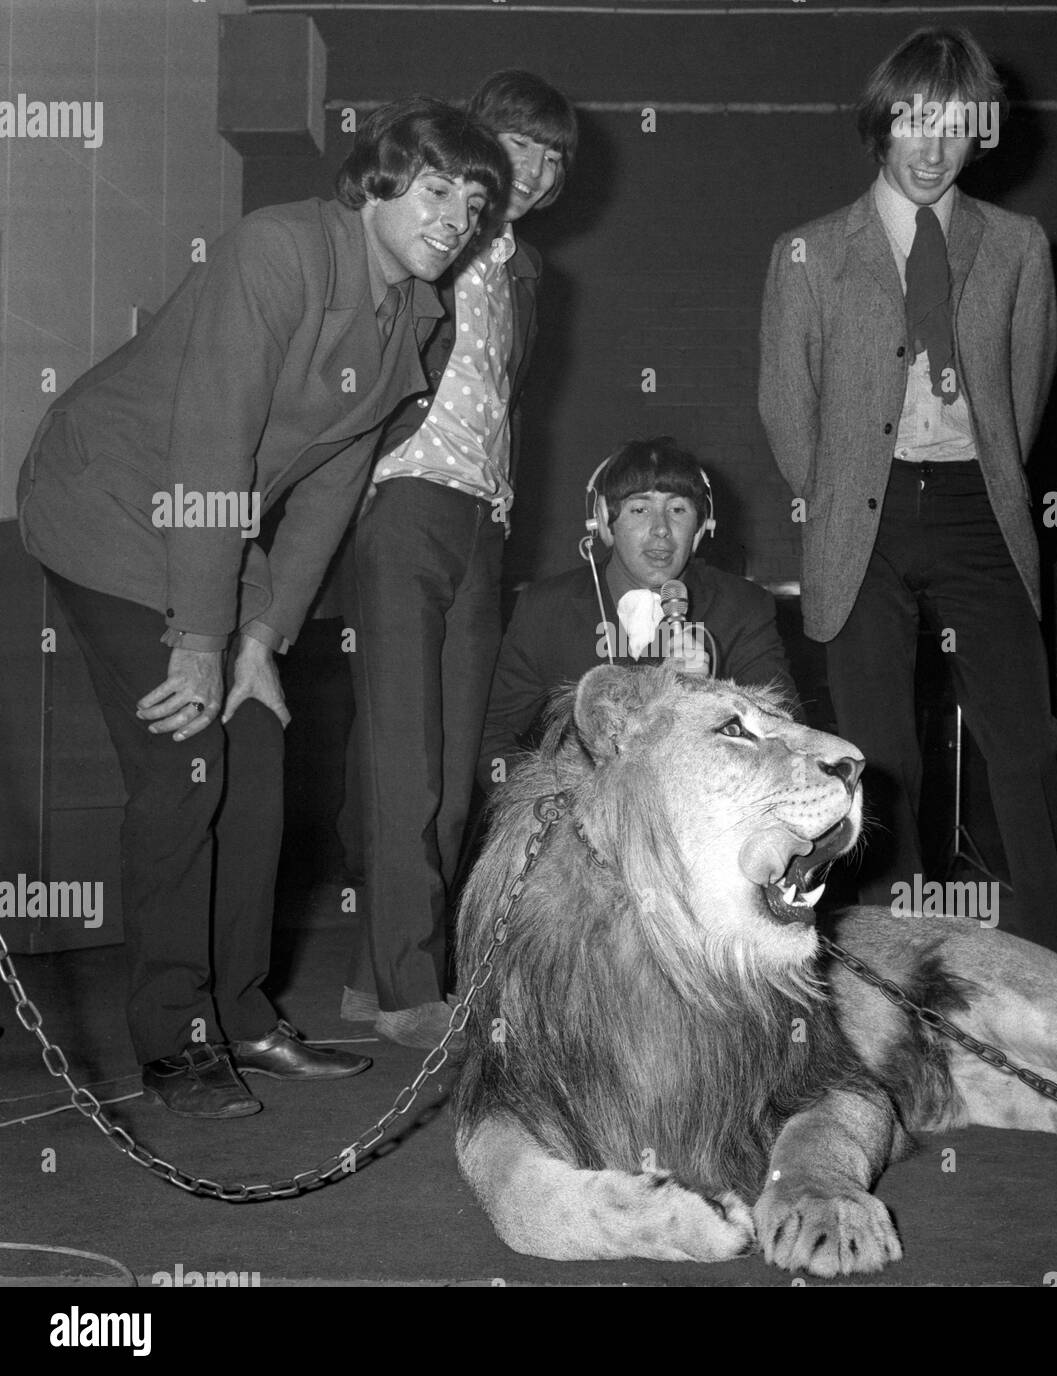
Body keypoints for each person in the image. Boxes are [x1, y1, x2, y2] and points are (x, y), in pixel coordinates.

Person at [16, 97, 510, 1117]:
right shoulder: (276, 249)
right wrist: (199, 641)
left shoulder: (417, 318)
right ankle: (172, 1036)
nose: (455, 218)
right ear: (376, 181)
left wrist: (261, 637)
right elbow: (211, 441)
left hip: (210, 527)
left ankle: (238, 1014)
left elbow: (329, 485)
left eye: (472, 204)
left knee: (261, 753)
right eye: (434, 190)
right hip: (106, 497)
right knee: (188, 757)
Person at [759, 27, 1057, 995]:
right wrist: (842, 494)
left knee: (1027, 745)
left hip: (971, 509)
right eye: (914, 121)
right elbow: (786, 407)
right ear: (882, 124)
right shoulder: (807, 253)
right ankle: (893, 986)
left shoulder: (1016, 249)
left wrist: (968, 469)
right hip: (859, 522)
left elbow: (1024, 390)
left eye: (955, 127)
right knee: (879, 758)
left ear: (980, 136)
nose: (930, 145)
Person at [338, 72, 579, 1048]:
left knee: (458, 758)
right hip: (400, 502)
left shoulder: (528, 275)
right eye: (519, 143)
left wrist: (508, 503)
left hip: (482, 518)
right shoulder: (423, 233)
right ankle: (407, 986)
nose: (535, 167)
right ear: (479, 141)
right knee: (404, 756)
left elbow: (503, 399)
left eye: (554, 157)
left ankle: (381, 972)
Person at [478, 436, 799, 788]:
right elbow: (491, 734)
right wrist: (540, 806)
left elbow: (785, 730)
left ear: (699, 529)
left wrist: (710, 692)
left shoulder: (743, 607)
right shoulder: (546, 609)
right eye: (640, 509)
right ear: (603, 520)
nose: (661, 528)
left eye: (678, 510)